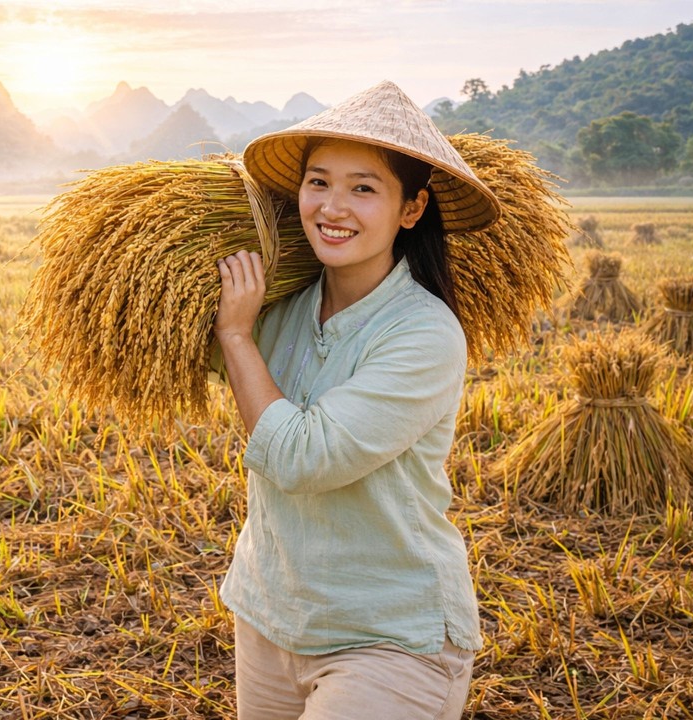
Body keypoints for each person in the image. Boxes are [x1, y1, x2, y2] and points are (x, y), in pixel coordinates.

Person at [212, 80, 501, 719]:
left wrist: (234, 333)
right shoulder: (279, 307)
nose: (332, 207)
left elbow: (301, 459)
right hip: (270, 614)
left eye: (363, 188)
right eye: (319, 183)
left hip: (388, 637)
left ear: (411, 208)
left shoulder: (424, 335)